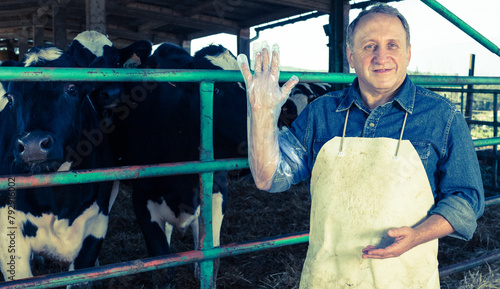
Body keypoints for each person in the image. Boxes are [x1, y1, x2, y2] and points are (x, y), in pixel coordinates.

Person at [237, 3, 484, 289]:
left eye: (393, 44)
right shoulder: (322, 113)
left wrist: (417, 235)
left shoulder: (442, 117)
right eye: (369, 46)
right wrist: (262, 117)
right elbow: (269, 177)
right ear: (351, 56)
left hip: (404, 278)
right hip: (327, 278)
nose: (382, 56)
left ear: (408, 54)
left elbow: (467, 199)